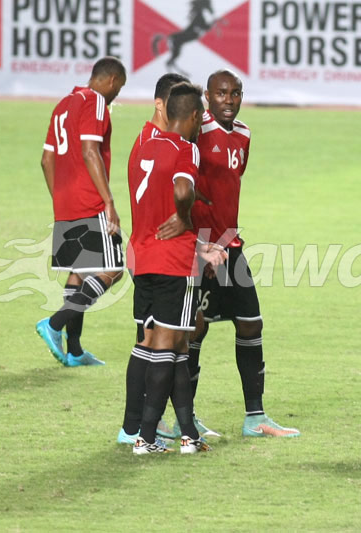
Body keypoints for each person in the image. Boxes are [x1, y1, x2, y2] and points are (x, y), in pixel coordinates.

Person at [186, 69, 299, 437]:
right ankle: (182, 420)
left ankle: (255, 418)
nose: (229, 100)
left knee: (251, 323)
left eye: (235, 93)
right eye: (221, 93)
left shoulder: (245, 135)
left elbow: (230, 187)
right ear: (207, 96)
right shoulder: (195, 132)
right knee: (193, 332)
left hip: (230, 245)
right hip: (201, 248)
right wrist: (197, 244)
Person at [117, 73, 219, 445]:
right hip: (173, 260)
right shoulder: (184, 147)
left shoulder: (143, 145)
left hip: (141, 254)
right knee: (169, 342)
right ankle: (146, 435)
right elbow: (181, 187)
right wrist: (187, 217)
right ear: (192, 117)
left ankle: (184, 432)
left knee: (158, 341)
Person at [36, 57, 127, 367]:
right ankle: (54, 323)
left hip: (64, 202)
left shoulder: (63, 104)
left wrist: (61, 199)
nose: (117, 96)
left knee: (79, 271)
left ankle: (74, 351)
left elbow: (46, 161)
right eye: (120, 89)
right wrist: (109, 202)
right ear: (112, 81)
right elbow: (90, 151)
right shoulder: (96, 101)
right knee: (114, 268)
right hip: (90, 201)